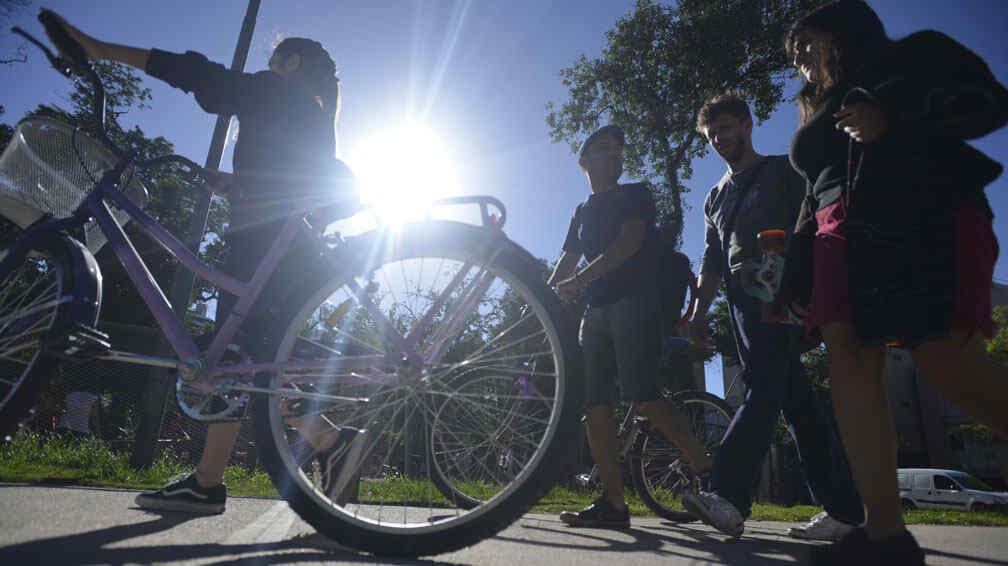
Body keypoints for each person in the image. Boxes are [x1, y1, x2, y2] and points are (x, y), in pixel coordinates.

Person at [45, 13, 359, 514]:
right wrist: (237, 183)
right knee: (248, 363)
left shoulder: (279, 94)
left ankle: (209, 483)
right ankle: (328, 442)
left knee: (232, 358)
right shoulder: (307, 111)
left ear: (291, 62)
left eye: (274, 59)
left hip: (262, 246)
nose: (267, 67)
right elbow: (292, 174)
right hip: (284, 247)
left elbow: (201, 75)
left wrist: (99, 48)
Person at [782, 1, 1008, 563]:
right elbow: (814, 190)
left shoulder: (916, 54)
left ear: (842, 30)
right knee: (848, 359)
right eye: (794, 56)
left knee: (943, 359)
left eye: (807, 43)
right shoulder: (817, 111)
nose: (801, 60)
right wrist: (794, 267)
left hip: (922, 210)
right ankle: (885, 535)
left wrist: (893, 112)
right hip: (839, 231)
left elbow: (991, 106)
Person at [680, 93, 863, 541]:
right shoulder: (715, 196)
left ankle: (726, 495)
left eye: (725, 128)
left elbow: (820, 228)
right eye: (711, 136)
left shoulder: (784, 171)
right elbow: (712, 260)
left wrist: (816, 292)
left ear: (746, 124)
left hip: (781, 297)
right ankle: (842, 510)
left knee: (762, 389)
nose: (719, 140)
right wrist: (699, 313)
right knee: (797, 402)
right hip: (740, 303)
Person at [548, 124, 713, 529]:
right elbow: (565, 263)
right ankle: (614, 505)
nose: (615, 156)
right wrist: (540, 301)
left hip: (634, 303)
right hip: (596, 312)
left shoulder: (635, 194)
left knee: (642, 394)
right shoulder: (581, 212)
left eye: (619, 150)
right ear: (584, 161)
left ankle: (711, 473)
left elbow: (629, 243)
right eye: (605, 149)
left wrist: (578, 282)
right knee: (595, 405)